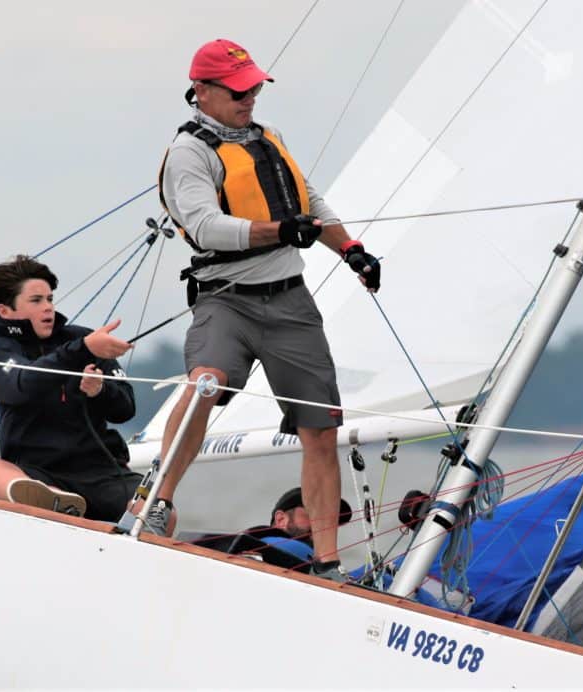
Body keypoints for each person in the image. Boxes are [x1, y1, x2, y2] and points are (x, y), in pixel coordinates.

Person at [151, 39, 380, 582]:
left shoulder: (267, 136)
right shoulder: (189, 154)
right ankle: (158, 501)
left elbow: (309, 201)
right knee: (205, 381)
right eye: (238, 90)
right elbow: (206, 226)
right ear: (202, 92)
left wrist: (351, 250)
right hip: (226, 301)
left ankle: (326, 562)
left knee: (321, 429)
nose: (249, 97)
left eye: (254, 86)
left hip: (290, 303)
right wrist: (279, 230)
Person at [0, 254, 142, 522]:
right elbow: (20, 387)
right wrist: (81, 351)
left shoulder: (85, 338)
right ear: (5, 311)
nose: (48, 307)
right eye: (36, 301)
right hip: (38, 475)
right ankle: (52, 502)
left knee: (160, 510)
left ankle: (67, 511)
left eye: (49, 299)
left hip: (101, 474)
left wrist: (99, 391)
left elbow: (125, 409)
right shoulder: (2, 350)